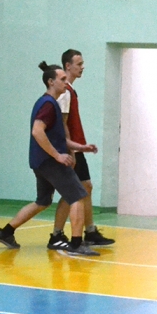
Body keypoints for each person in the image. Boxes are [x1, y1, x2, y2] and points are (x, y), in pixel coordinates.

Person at [0, 62, 100, 256]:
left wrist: (80, 147)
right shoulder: (49, 105)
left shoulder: (47, 103)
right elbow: (37, 131)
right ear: (51, 82)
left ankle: (6, 232)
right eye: (62, 79)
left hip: (40, 162)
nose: (66, 83)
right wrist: (58, 155)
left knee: (42, 201)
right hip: (51, 162)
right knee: (78, 196)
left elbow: (56, 137)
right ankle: (76, 244)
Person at [48, 49, 115, 250]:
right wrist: (71, 151)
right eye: (79, 64)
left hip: (75, 146)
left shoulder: (70, 91)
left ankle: (90, 231)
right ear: (68, 66)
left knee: (85, 187)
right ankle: (57, 234)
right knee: (74, 191)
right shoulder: (64, 93)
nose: (82, 67)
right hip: (71, 149)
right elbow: (63, 124)